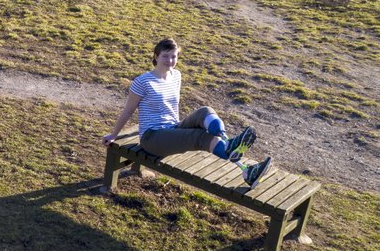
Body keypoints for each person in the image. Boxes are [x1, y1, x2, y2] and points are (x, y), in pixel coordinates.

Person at [101, 38, 271, 189]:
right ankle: (236, 156)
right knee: (200, 137)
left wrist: (179, 128)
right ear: (156, 56)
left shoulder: (176, 76)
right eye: (165, 56)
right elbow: (128, 110)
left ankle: (234, 151)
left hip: (173, 129)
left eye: (174, 56)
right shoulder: (142, 82)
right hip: (152, 138)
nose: (170, 60)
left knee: (205, 111)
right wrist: (114, 135)